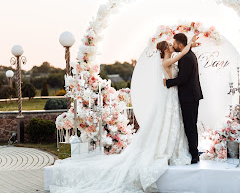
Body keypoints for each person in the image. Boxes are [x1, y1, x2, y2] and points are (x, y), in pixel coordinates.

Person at [49, 35, 200, 193]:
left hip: (174, 96)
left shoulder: (173, 59)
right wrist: (188, 45)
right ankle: (168, 149)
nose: (172, 46)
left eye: (173, 44)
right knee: (171, 122)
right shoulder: (166, 61)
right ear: (164, 50)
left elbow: (182, 59)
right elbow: (182, 56)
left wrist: (189, 46)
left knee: (176, 123)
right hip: (171, 97)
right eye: (169, 45)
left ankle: (179, 148)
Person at [164, 33, 203, 164]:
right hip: (192, 96)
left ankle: (194, 154)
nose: (173, 45)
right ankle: (194, 151)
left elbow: (183, 78)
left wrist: (168, 83)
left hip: (189, 97)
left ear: (180, 45)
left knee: (190, 126)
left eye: (174, 43)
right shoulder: (188, 55)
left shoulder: (186, 58)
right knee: (191, 125)